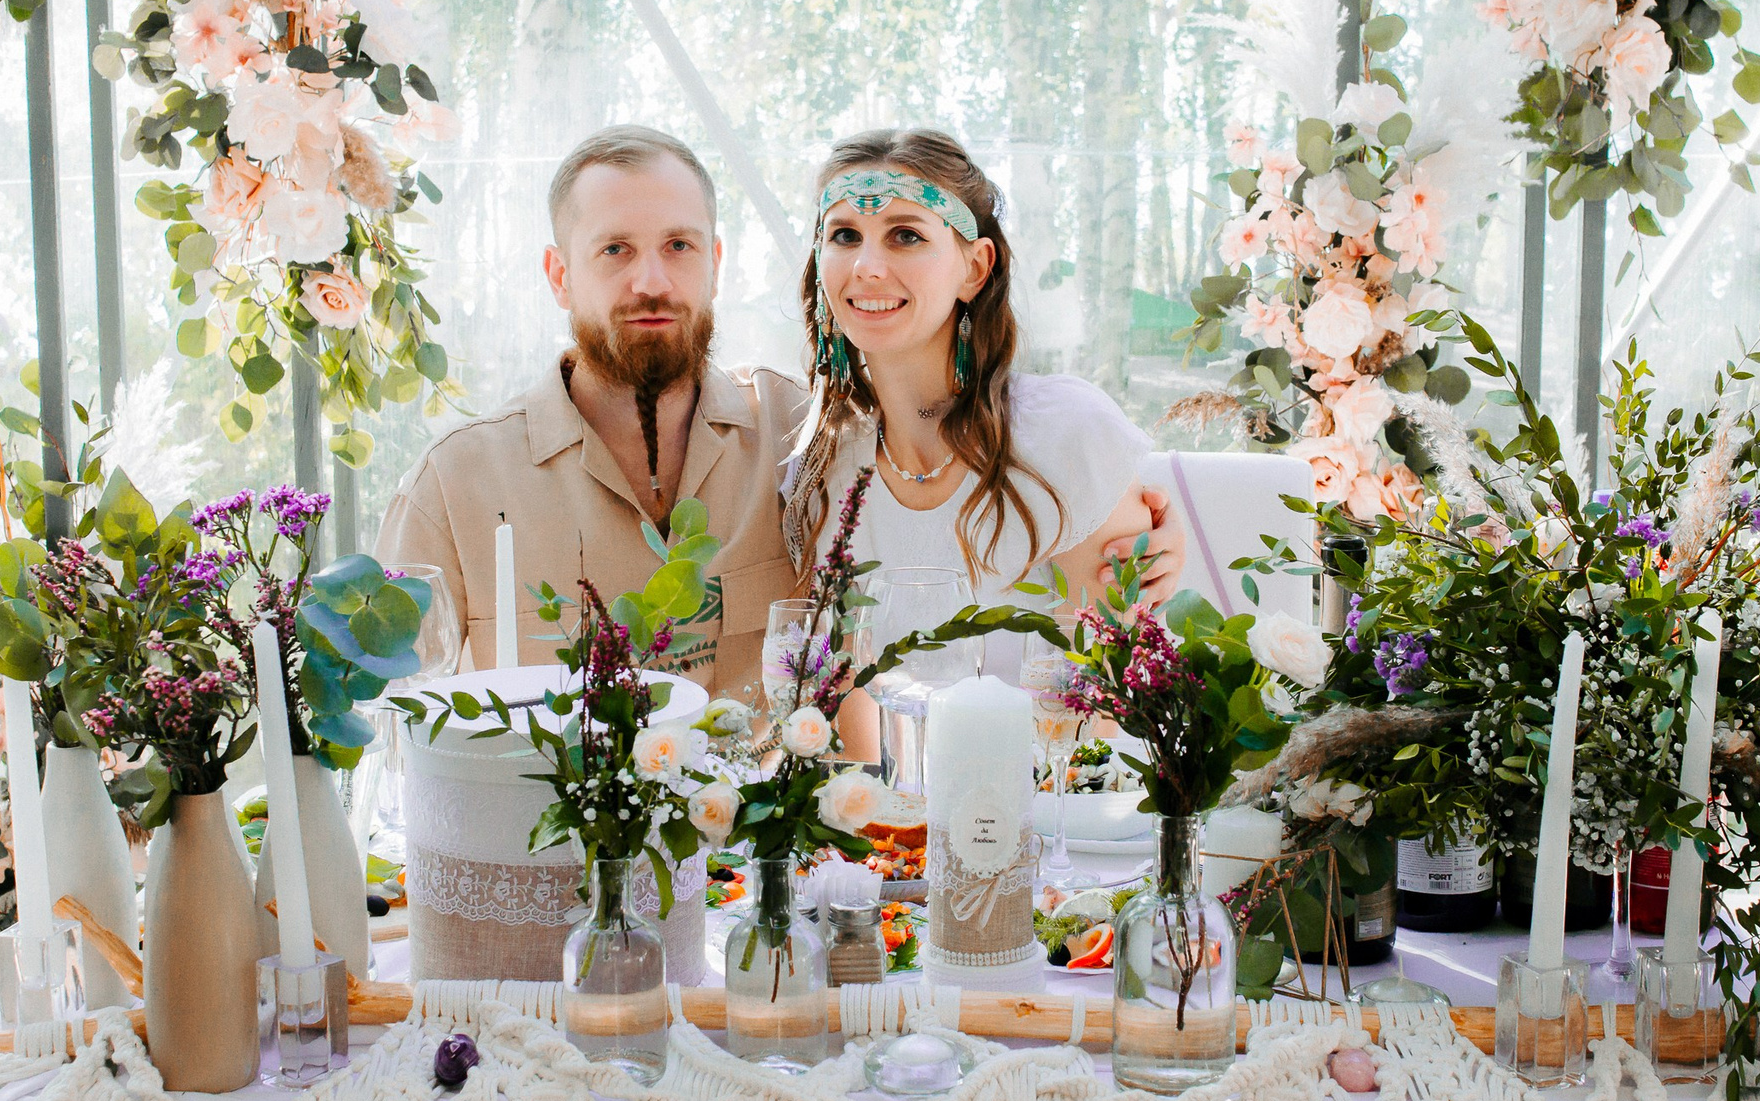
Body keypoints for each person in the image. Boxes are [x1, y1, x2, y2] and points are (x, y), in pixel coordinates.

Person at [376, 124, 1185, 697]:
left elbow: (1117, 661)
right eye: (615, 250)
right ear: (558, 274)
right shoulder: (455, 485)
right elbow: (389, 712)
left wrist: (1130, 511)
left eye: (679, 246)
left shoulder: (797, 437)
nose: (650, 280)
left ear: (717, 263)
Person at [783, 129, 1157, 686]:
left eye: (905, 235)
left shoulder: (1068, 437)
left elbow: (1104, 706)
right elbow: (832, 708)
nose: (865, 266)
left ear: (974, 269)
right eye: (843, 235)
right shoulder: (819, 471)